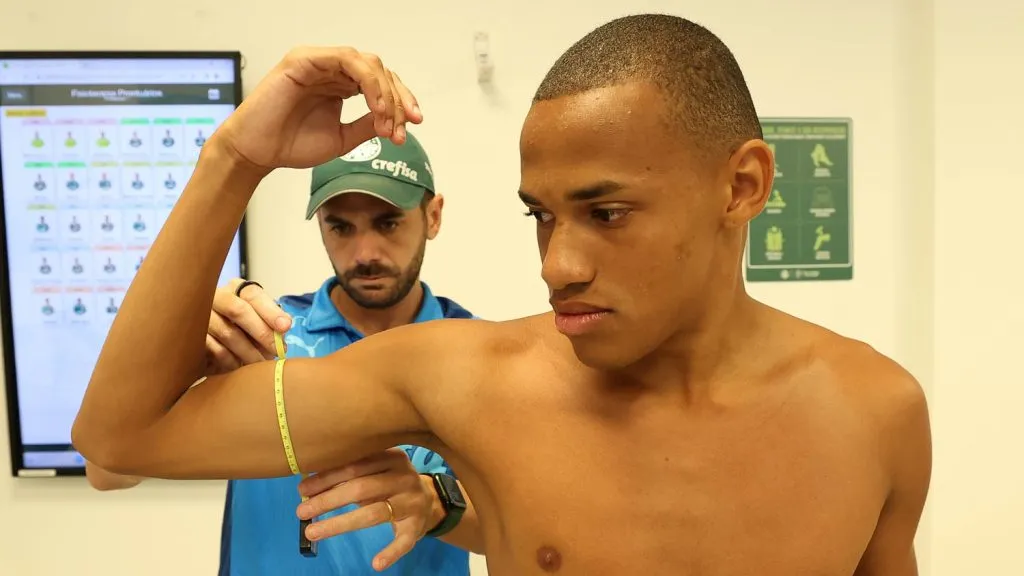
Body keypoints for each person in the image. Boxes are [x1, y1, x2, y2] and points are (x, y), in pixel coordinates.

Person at [72, 15, 932, 576]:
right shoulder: (465, 377)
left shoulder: (874, 411)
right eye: (542, 216)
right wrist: (235, 160)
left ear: (741, 186)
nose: (559, 264)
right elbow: (119, 438)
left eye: (606, 212)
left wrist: (440, 504)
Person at [83, 133, 482, 575]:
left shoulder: (475, 353)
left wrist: (436, 502)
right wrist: (183, 363)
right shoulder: (264, 339)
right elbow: (106, 472)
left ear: (433, 215)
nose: (365, 254)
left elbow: (522, 524)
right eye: (340, 226)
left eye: (388, 223)